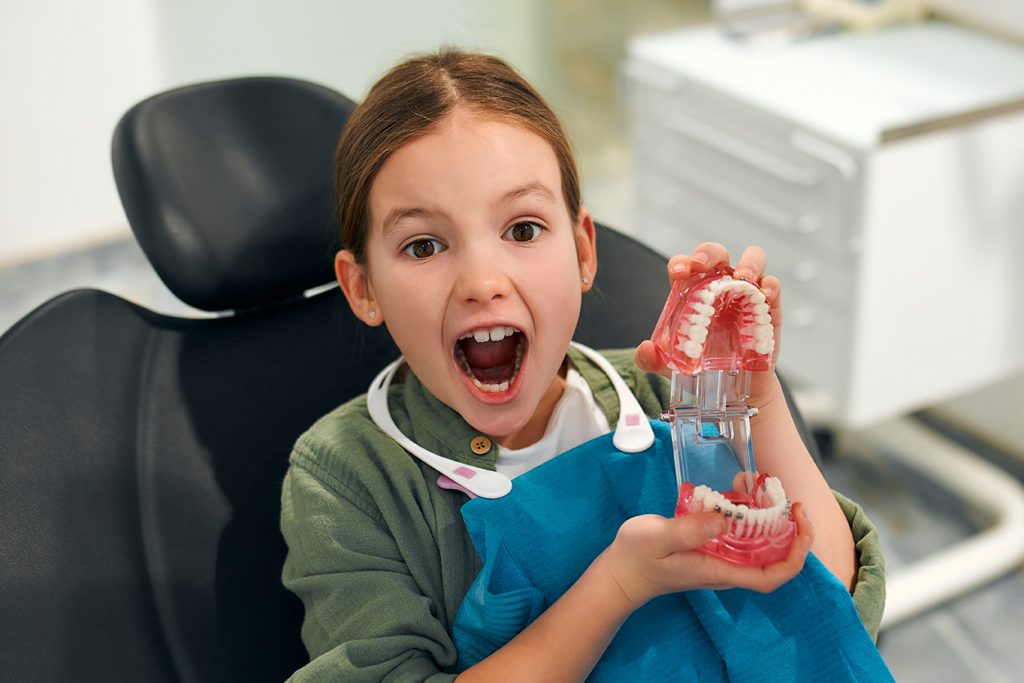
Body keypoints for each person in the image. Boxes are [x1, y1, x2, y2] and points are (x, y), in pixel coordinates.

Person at [280, 49, 884, 682]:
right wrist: (620, 584)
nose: (482, 281)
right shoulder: (344, 478)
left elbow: (830, 601)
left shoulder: (666, 395)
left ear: (583, 250)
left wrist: (752, 392)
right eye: (423, 245)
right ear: (363, 288)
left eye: (522, 229)